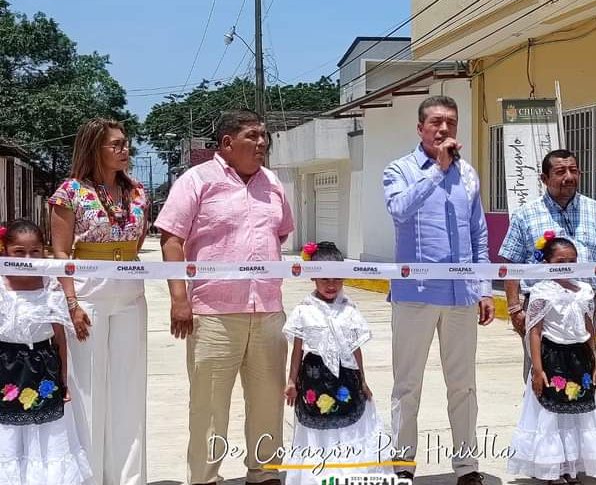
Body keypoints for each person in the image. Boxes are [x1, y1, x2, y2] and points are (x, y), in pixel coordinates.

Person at [155, 109, 294, 485]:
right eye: (253, 136)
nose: (262, 143)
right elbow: (171, 239)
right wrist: (179, 298)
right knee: (209, 408)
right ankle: (204, 478)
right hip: (213, 314)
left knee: (267, 404)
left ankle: (264, 475)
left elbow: (280, 235)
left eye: (264, 136)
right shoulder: (196, 180)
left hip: (267, 311)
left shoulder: (274, 183)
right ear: (227, 143)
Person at [383, 95, 493, 485]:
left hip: (461, 295)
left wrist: (485, 288)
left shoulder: (469, 175)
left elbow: (479, 233)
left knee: (463, 386)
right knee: (407, 384)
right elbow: (398, 210)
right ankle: (402, 464)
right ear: (420, 129)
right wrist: (435, 172)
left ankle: (466, 467)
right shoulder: (400, 169)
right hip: (415, 293)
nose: (443, 129)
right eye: (435, 122)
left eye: (450, 122)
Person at [49, 117, 148, 485]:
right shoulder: (70, 192)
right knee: (88, 387)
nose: (125, 150)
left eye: (125, 144)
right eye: (116, 145)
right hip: (88, 293)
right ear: (95, 149)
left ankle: (128, 478)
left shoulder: (138, 191)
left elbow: (135, 244)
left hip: (131, 293)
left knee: (129, 388)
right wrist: (71, 302)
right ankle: (89, 478)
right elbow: (60, 252)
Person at [498, 149, 596, 380]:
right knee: (541, 378)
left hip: (585, 307)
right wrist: (514, 309)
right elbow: (510, 262)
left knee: (583, 375)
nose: (569, 177)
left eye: (573, 171)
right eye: (560, 171)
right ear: (544, 179)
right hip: (541, 310)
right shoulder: (526, 214)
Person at [507, 235, 596, 485]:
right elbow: (534, 331)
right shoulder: (541, 291)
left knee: (578, 413)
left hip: (579, 359)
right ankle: (552, 469)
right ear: (546, 263)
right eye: (560, 261)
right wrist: (537, 368)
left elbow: (590, 331)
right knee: (551, 413)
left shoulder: (586, 291)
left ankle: (571, 467)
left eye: (572, 260)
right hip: (552, 358)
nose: (567, 265)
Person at [283, 241, 389, 485]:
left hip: (346, 383)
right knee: (319, 430)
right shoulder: (303, 311)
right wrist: (291, 381)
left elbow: (356, 350)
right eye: (325, 279)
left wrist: (363, 380)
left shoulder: (349, 309)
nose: (331, 285)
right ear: (313, 279)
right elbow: (297, 351)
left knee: (349, 427)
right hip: (314, 383)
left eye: (337, 280)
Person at [0, 220, 93, 484]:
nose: (28, 258)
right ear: (5, 250)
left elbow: (60, 338)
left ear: (45, 252)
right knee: (9, 433)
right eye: (19, 252)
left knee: (46, 432)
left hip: (43, 371)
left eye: (35, 252)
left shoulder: (50, 285)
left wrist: (64, 379)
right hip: (6, 370)